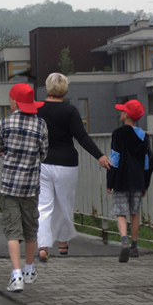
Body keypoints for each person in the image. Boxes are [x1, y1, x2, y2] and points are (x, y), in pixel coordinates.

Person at [36, 73, 112, 262]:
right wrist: (99, 156)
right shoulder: (70, 111)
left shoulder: (37, 109)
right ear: (65, 90)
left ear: (47, 87)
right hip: (67, 164)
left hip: (42, 162)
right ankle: (62, 244)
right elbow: (82, 136)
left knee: (43, 206)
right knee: (64, 204)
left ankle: (43, 246)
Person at [0, 83, 48, 293]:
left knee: (12, 232)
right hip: (30, 187)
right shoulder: (41, 125)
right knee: (30, 230)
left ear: (14, 102)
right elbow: (43, 153)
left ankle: (15, 275)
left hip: (9, 187)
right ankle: (29, 270)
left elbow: (0, 149)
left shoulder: (4, 124)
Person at [106, 99, 153, 263]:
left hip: (121, 179)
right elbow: (148, 162)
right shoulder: (144, 136)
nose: (120, 113)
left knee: (121, 212)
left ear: (126, 115)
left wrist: (110, 181)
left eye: (122, 111)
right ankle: (134, 246)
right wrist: (145, 183)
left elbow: (115, 159)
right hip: (138, 180)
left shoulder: (118, 133)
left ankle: (124, 240)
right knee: (135, 213)